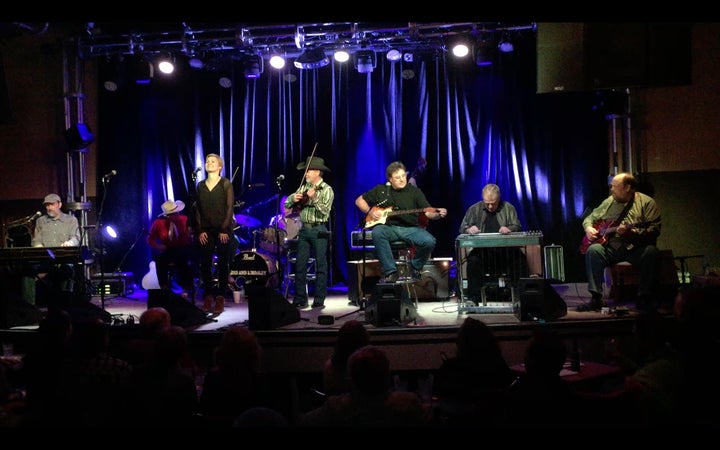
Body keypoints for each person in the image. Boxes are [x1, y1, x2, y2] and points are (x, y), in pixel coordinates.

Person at [354, 161, 447, 284]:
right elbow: (359, 201)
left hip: (411, 229)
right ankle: (391, 272)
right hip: (390, 229)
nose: (402, 179)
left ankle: (414, 267)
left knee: (429, 241)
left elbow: (428, 212)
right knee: (377, 232)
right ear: (390, 179)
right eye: (397, 177)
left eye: (404, 176)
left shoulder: (415, 192)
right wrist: (370, 212)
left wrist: (437, 214)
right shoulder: (381, 190)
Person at [580, 172, 661, 312]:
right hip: (613, 248)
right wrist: (588, 228)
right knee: (593, 250)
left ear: (627, 187)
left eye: (615, 186)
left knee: (651, 252)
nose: (611, 189)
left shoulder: (647, 203)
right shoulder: (609, 201)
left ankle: (644, 297)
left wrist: (632, 232)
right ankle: (596, 297)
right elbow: (589, 218)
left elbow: (654, 230)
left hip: (636, 248)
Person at [457, 183, 522, 305]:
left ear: (499, 199)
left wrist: (509, 229)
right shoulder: (474, 209)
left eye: (494, 203)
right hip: (483, 253)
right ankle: (473, 298)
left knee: (519, 259)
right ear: (483, 199)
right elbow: (462, 227)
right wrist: (469, 229)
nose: (491, 206)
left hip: (505, 252)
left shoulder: (508, 207)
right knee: (473, 260)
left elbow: (517, 225)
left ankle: (520, 298)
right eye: (487, 203)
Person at [285, 156, 334, 308]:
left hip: (319, 229)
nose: (306, 173)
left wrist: (315, 198)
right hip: (304, 229)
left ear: (317, 172)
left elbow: (325, 211)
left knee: (321, 265)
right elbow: (287, 204)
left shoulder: (327, 189)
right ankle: (301, 299)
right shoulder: (303, 187)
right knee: (300, 265)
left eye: (309, 170)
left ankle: (319, 300)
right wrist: (293, 198)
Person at [195, 153, 237, 315]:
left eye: (213, 161)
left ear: (220, 166)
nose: (209, 163)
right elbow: (198, 209)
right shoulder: (200, 185)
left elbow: (229, 207)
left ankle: (220, 296)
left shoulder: (225, 184)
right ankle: (207, 295)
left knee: (222, 263)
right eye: (207, 161)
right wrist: (200, 230)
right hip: (206, 230)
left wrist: (224, 229)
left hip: (222, 230)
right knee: (205, 264)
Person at [28, 193, 81, 305]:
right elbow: (36, 240)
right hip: (46, 260)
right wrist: (38, 246)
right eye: (47, 205)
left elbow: (76, 238)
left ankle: (64, 304)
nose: (49, 208)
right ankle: (31, 306)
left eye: (51, 204)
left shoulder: (71, 220)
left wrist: (69, 243)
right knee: (27, 269)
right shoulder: (40, 221)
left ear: (59, 204)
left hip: (64, 260)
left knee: (66, 269)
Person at [146, 199, 196, 298]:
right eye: (172, 214)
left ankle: (186, 286)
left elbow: (193, 233)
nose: (175, 216)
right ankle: (164, 286)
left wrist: (191, 235)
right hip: (168, 249)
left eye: (176, 213)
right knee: (159, 259)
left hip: (183, 247)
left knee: (182, 258)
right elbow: (150, 239)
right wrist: (159, 246)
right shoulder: (158, 223)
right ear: (167, 215)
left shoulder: (185, 219)